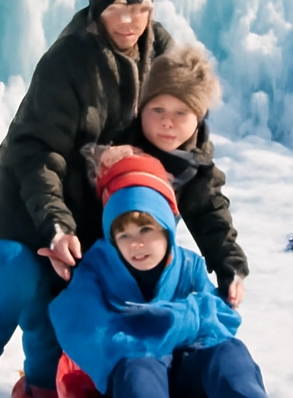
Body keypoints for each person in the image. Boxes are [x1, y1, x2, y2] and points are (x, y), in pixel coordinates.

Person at [0, 0, 174, 398]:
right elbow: (37, 154)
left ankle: (38, 383)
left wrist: (222, 253)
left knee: (64, 325)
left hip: (99, 208)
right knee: (24, 278)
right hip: (33, 199)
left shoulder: (163, 56)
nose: (131, 21)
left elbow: (189, 145)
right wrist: (56, 224)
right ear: (97, 9)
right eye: (118, 10)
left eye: (141, 9)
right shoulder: (67, 62)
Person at [48, 151, 267, 398]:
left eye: (145, 230)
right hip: (135, 377)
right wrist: (155, 334)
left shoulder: (187, 266)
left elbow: (220, 321)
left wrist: (179, 319)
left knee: (229, 352)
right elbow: (83, 328)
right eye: (124, 235)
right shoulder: (96, 270)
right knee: (140, 367)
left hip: (186, 371)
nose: (136, 244)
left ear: (166, 229)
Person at [114, 43, 249, 306]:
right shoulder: (119, 150)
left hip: (147, 267)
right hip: (97, 267)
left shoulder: (194, 167)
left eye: (181, 112)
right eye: (157, 110)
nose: (167, 122)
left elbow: (210, 216)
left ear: (198, 118)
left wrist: (230, 266)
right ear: (141, 110)